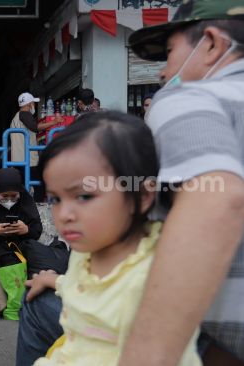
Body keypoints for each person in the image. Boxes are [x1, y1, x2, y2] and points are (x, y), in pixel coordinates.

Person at [122, 1, 244, 364]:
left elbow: (217, 201)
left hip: (223, 339)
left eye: (170, 52)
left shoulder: (189, 98)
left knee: (44, 311)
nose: (163, 73)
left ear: (211, 44)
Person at [28, 111, 201, 365]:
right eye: (55, 199)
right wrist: (52, 280)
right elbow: (89, 290)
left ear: (142, 196)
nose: (64, 214)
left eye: (84, 196)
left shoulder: (152, 282)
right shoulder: (88, 251)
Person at [0, 168, 42, 321]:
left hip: (22, 252)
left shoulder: (26, 201)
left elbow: (37, 231)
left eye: (13, 196)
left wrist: (26, 229)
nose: (9, 200)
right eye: (4, 196)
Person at [9, 92, 46, 202]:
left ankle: (24, 211)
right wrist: (54, 122)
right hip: (28, 160)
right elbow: (35, 127)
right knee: (39, 186)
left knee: (22, 188)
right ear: (29, 103)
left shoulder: (16, 117)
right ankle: (38, 210)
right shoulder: (25, 114)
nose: (33, 105)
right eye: (33, 103)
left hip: (18, 160)